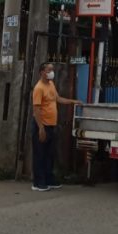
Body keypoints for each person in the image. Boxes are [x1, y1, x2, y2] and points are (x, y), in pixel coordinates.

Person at [32, 61, 81, 192]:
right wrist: (41, 128)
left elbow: (57, 99)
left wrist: (72, 101)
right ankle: (38, 182)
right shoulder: (39, 88)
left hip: (51, 125)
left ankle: (49, 179)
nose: (51, 73)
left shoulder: (51, 84)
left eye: (51, 70)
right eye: (48, 70)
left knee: (49, 154)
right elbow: (36, 109)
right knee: (40, 155)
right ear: (42, 72)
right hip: (42, 126)